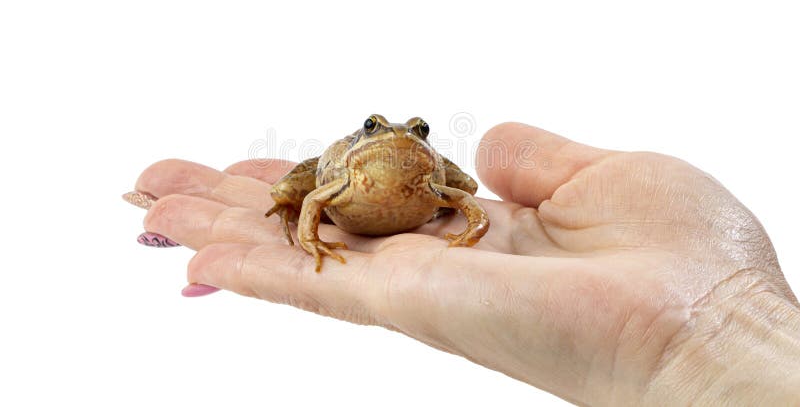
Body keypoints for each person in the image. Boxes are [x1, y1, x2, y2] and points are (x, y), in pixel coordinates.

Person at [125, 122, 800, 405]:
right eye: (385, 128)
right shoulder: (344, 170)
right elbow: (313, 200)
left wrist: (720, 332)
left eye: (416, 132)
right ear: (365, 139)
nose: (402, 136)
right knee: (281, 187)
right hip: (344, 190)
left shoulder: (432, 179)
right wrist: (299, 223)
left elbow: (468, 203)